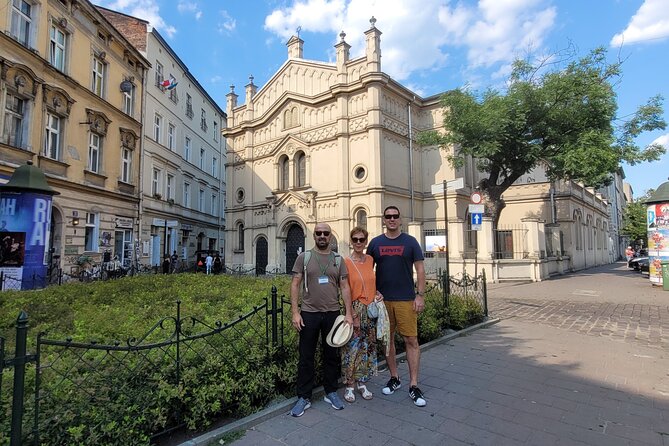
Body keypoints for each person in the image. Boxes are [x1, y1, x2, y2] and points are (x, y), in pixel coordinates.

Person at [290, 223, 353, 417]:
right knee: (306, 356)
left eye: (326, 233)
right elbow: (295, 284)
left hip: (333, 314)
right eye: (319, 233)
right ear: (314, 236)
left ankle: (331, 392)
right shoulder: (304, 257)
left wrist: (349, 313)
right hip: (309, 313)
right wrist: (295, 312)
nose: (322, 236)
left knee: (332, 356)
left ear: (330, 236)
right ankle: (304, 397)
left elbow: (345, 287)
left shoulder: (337, 259)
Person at [366, 205, 427, 407]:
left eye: (395, 216)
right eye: (388, 216)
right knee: (387, 340)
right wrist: (372, 292)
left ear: (400, 219)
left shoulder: (410, 242)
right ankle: (394, 378)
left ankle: (414, 384)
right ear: (384, 220)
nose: (392, 219)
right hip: (383, 303)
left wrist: (420, 295)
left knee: (411, 340)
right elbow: (368, 271)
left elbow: (420, 269)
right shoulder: (375, 243)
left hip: (406, 300)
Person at [341, 226, 383, 403]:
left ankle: (362, 382)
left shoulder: (370, 260)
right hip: (356, 309)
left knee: (367, 347)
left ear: (366, 242)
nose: (358, 242)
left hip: (370, 309)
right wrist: (351, 314)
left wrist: (377, 292)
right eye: (355, 239)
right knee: (353, 348)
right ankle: (349, 385)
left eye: (362, 239)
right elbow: (345, 289)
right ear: (351, 241)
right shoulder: (346, 262)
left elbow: (369, 282)